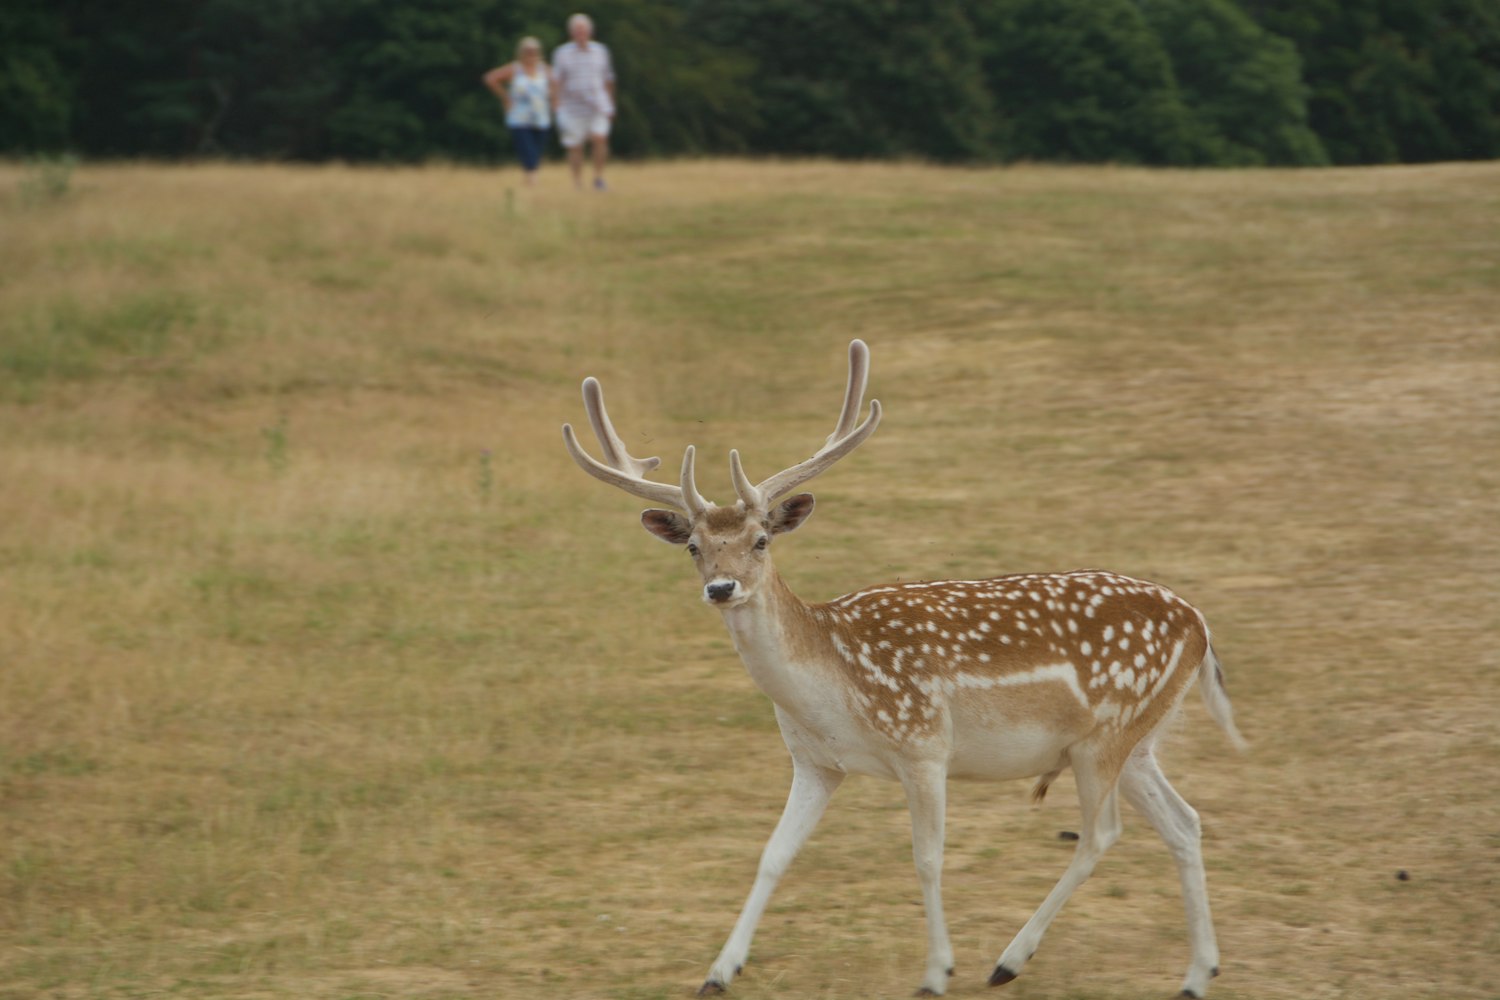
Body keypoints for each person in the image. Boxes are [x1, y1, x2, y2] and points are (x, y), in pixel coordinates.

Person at [550, 14, 615, 191]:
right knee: (575, 146)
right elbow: (556, 80)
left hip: (598, 105)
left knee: (599, 138)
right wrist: (556, 103)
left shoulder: (601, 51)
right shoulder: (561, 53)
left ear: (590, 31)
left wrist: (610, 103)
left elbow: (608, 79)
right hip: (572, 108)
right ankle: (577, 182)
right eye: (577, 30)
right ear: (571, 33)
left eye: (583, 29)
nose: (581, 33)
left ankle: (599, 178)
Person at [482, 37, 553, 186]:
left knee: (537, 150)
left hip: (541, 117)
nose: (531, 55)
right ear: (521, 53)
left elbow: (558, 82)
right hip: (519, 117)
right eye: (527, 52)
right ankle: (533, 180)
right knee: (527, 148)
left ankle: (529, 178)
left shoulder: (544, 69)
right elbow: (490, 78)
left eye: (533, 52)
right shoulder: (514, 69)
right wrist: (505, 97)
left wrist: (553, 99)